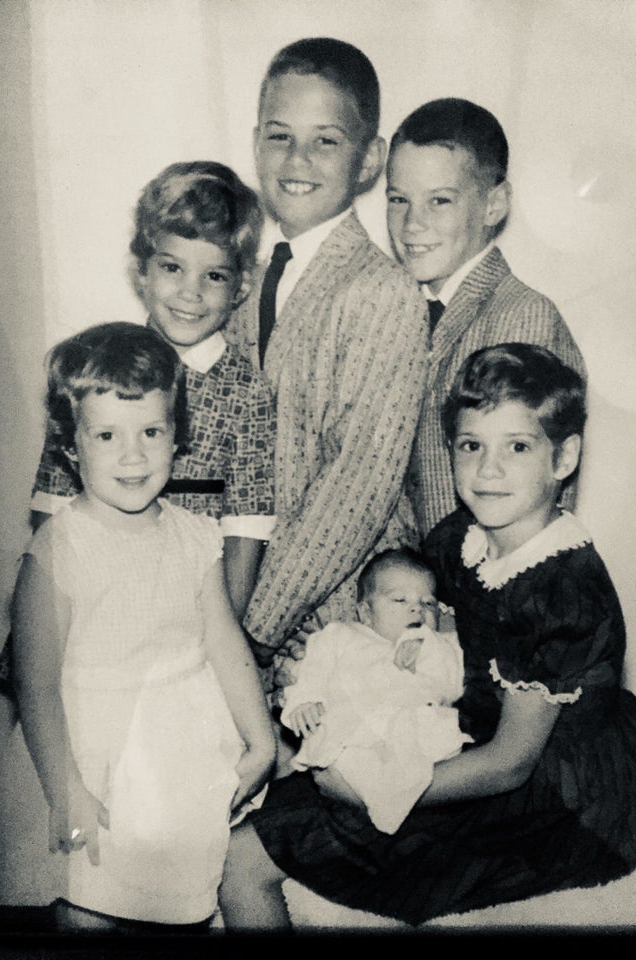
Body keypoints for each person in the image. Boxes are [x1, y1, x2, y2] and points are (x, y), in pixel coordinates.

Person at [217, 342, 636, 930]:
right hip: (468, 725)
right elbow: (429, 621)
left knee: (245, 855)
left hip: (549, 800)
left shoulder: (561, 595)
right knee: (293, 775)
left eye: (518, 446)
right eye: (471, 446)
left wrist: (372, 790)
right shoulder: (462, 535)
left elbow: (510, 765)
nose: (488, 470)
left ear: (563, 457)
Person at [10, 322, 275, 933]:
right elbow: (36, 685)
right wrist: (64, 786)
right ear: (71, 448)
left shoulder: (194, 535)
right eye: (107, 435)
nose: (134, 455)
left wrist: (259, 739)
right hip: (97, 752)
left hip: (183, 745)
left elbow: (224, 642)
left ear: (176, 437)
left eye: (152, 432)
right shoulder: (59, 549)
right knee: (96, 901)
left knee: (185, 901)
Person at [0, 160, 276, 703]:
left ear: (240, 286)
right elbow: (50, 508)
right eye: (172, 268)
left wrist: (208, 645)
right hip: (90, 602)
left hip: (185, 615)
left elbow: (246, 533)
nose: (190, 294)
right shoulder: (97, 367)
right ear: (141, 272)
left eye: (213, 276)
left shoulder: (248, 392)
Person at [226, 38, 428, 675]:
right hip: (238, 620)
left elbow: (357, 486)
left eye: (326, 141)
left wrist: (253, 632)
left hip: (337, 634)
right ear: (256, 141)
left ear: (370, 160)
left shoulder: (382, 291)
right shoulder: (243, 282)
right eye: (280, 136)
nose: (297, 159)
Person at [385, 97, 586, 538]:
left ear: (493, 205)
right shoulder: (397, 313)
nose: (412, 224)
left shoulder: (522, 315)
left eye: (439, 201)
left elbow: (519, 503)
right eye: (399, 199)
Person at [281, 548, 473, 835]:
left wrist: (428, 647)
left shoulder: (444, 645)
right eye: (399, 600)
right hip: (353, 732)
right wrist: (305, 701)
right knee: (343, 759)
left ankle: (397, 814)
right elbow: (312, 672)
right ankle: (380, 812)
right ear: (366, 612)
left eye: (428, 603)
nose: (416, 609)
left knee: (434, 756)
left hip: (416, 734)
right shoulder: (340, 635)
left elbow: (453, 686)